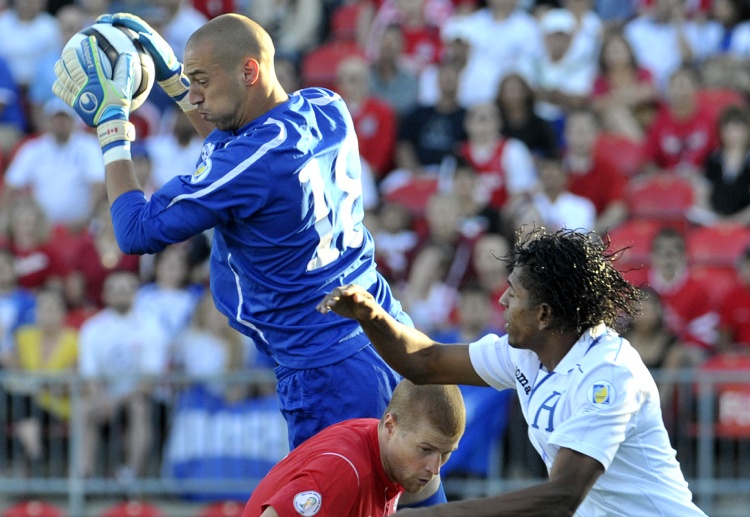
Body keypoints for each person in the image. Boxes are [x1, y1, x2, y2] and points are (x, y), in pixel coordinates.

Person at [52, 11, 445, 507]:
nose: (192, 97)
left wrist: (112, 127)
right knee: (425, 508)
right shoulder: (327, 107)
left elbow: (134, 231)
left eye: (201, 81)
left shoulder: (250, 164)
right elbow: (235, 139)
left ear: (248, 72)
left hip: (326, 371)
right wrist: (174, 71)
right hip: (389, 336)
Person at [317, 227, 707, 516]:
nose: (501, 299)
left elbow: (562, 496)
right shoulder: (527, 353)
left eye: (514, 293)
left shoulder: (608, 376)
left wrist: (430, 515)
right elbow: (424, 362)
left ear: (544, 314)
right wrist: (371, 316)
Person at [241, 379, 465, 517]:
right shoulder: (345, 469)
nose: (435, 468)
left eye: (445, 453)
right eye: (426, 449)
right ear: (390, 426)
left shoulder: (386, 455)